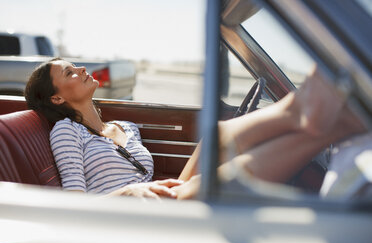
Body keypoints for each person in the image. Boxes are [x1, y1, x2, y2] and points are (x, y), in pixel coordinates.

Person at [25, 58, 366, 200]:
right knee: (213, 183)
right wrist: (128, 194)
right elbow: (74, 202)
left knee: (214, 135)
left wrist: (147, 189)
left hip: (156, 198)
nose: (81, 69)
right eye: (69, 73)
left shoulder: (125, 126)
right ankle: (320, 128)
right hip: (121, 214)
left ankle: (300, 113)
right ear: (56, 98)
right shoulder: (67, 132)